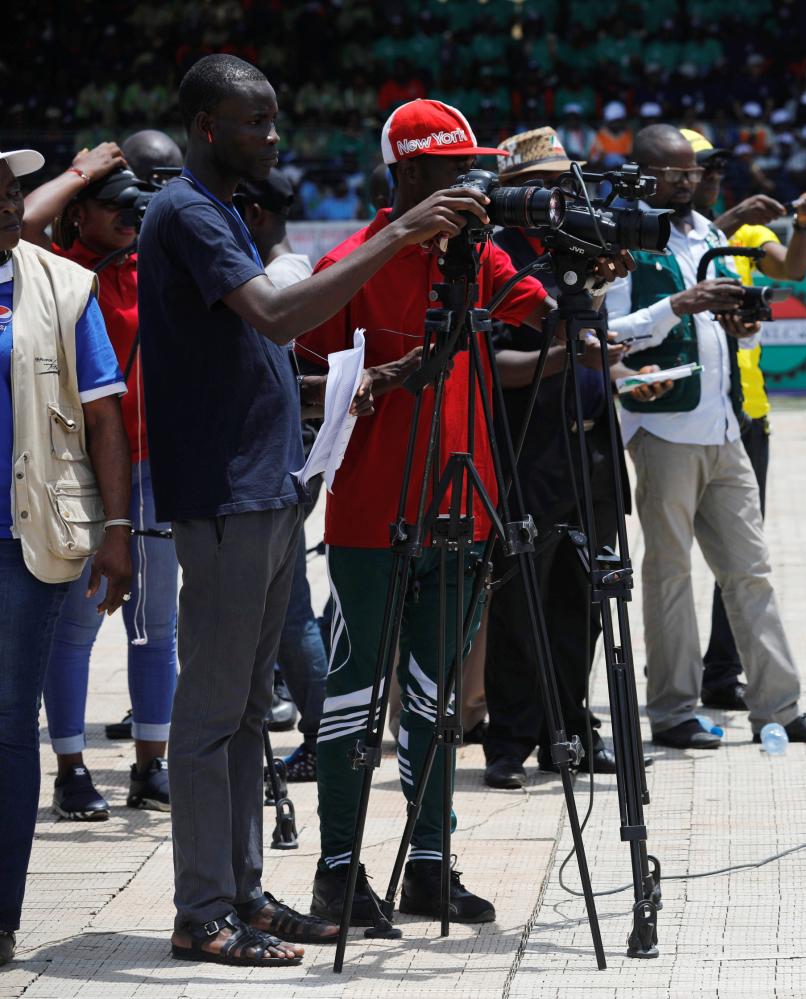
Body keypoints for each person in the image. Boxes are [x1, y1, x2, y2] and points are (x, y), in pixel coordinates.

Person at [137, 55, 489, 967]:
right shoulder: (184, 209)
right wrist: (400, 232)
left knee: (253, 711)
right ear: (208, 127)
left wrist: (356, 385)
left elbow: (255, 356)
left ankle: (244, 893)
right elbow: (279, 315)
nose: (275, 137)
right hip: (223, 493)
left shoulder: (221, 212)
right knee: (213, 714)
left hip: (269, 486)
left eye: (276, 119)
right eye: (256, 122)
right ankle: (201, 911)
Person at [296, 103, 633, 917]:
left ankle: (429, 865)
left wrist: (580, 288)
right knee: (354, 696)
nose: (470, 183)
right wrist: (373, 385)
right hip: (371, 516)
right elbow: (297, 381)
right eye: (454, 170)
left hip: (464, 506)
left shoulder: (475, 255)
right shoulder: (350, 262)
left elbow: (536, 310)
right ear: (409, 175)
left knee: (437, 698)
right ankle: (338, 870)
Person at [605, 124, 806, 750]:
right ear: (644, 175)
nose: (690, 182)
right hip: (662, 432)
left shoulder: (706, 233)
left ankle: (779, 708)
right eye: (676, 173)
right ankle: (673, 711)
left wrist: (737, 324)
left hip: (723, 425)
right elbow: (609, 334)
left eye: (694, 172)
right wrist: (679, 306)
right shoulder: (623, 239)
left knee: (752, 571)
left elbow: (723, 331)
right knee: (669, 575)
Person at [479, 126, 665, 789]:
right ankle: (510, 740)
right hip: (525, 451)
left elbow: (596, 338)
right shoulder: (497, 256)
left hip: (590, 447)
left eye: (566, 181)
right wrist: (569, 353)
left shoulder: (582, 248)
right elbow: (493, 365)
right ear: (514, 191)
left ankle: (572, 729)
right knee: (516, 600)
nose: (562, 193)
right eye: (548, 183)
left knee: (584, 598)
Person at [0, 145, 133, 967]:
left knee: (11, 725)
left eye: (12, 194)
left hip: (27, 538)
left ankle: (1, 915)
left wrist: (119, 529)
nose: (8, 209)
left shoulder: (59, 285)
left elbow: (105, 417)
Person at [37, 162, 176, 821]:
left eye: (137, 206)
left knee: (156, 630)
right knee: (77, 629)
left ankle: (152, 763)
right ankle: (70, 768)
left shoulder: (156, 264)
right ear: (79, 211)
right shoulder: (57, 268)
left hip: (155, 468)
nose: (130, 216)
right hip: (84, 471)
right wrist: (83, 170)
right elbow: (26, 221)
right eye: (115, 204)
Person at [679, 128, 806, 711]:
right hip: (679, 414)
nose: (712, 175)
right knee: (669, 558)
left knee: (740, 555)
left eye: (717, 166)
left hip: (746, 412)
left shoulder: (744, 232)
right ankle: (672, 672)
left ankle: (722, 672)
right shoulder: (657, 232)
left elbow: (792, 270)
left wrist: (805, 224)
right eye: (700, 166)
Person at [236, 168, 325, 782]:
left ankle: (323, 736)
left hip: (280, 462)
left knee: (290, 612)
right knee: (285, 609)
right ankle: (321, 735)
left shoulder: (282, 277)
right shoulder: (281, 273)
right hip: (276, 458)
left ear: (258, 216)